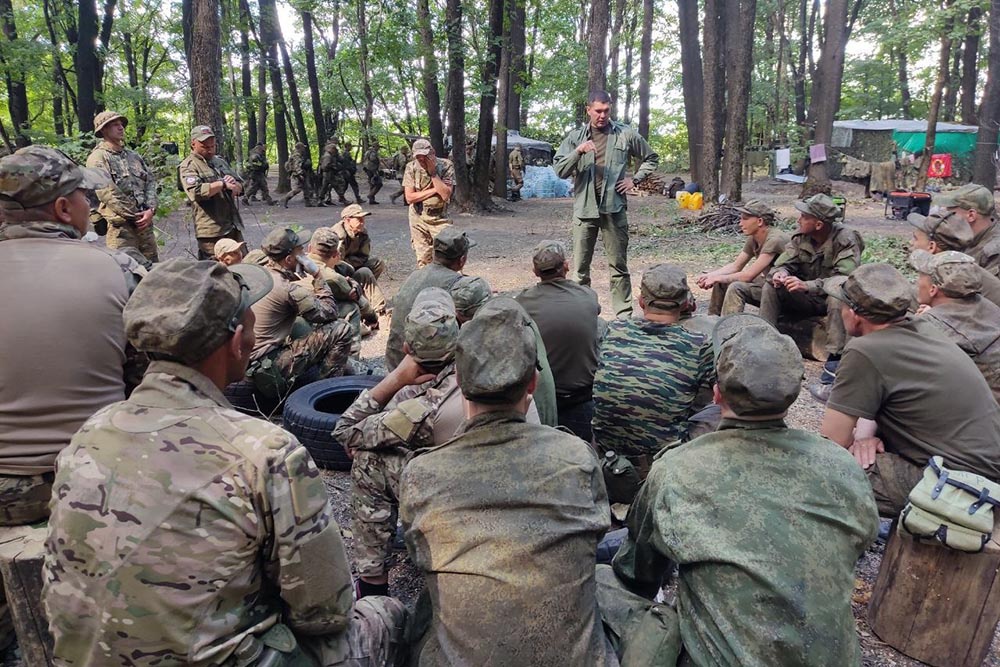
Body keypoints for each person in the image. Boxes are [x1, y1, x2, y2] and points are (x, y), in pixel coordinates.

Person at [42, 258, 407, 665]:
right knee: (385, 615)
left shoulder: (88, 435)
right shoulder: (264, 451)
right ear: (237, 342)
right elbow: (326, 613)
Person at [602, 317, 878, 666]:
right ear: (793, 396)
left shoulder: (676, 469)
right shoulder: (841, 465)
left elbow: (637, 573)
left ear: (716, 393)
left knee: (601, 580)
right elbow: (861, 540)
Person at [399, 297, 615, 666]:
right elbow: (592, 537)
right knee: (611, 585)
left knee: (404, 611)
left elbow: (420, 556)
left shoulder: (421, 474)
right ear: (532, 382)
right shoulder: (576, 457)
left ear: (460, 383)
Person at [0, 146, 138, 647]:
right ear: (62, 208)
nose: (90, 204)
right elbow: (152, 377)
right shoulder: (118, 268)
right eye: (84, 195)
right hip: (88, 485)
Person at [820, 263, 1000, 517]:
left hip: (962, 486)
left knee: (827, 470)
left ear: (853, 313)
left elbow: (831, 442)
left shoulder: (866, 350)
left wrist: (857, 441)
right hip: (984, 470)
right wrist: (864, 437)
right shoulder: (921, 327)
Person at [591, 264, 715, 480]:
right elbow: (715, 397)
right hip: (661, 464)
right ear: (686, 303)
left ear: (641, 301)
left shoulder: (613, 330)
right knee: (719, 410)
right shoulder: (700, 345)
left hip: (606, 459)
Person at [553, 90, 659, 318]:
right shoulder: (575, 137)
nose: (602, 115)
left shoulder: (625, 134)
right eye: (598, 111)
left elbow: (651, 158)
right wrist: (578, 152)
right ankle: (582, 315)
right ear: (588, 110)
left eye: (606, 110)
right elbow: (560, 170)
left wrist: (634, 180)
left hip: (614, 208)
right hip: (585, 211)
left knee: (619, 267)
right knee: (580, 270)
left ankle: (623, 317)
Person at [761, 193, 863, 400]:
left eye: (804, 217)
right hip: (805, 297)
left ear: (818, 224)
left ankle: (834, 361)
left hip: (828, 298)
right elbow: (782, 264)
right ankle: (764, 342)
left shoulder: (845, 239)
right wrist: (781, 274)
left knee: (837, 294)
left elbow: (843, 278)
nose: (799, 220)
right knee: (770, 286)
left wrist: (807, 285)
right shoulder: (801, 237)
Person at [247, 227, 354, 399]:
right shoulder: (287, 289)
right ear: (289, 259)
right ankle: (327, 392)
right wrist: (317, 275)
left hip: (245, 357)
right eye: (301, 252)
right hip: (266, 366)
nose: (305, 256)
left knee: (299, 324)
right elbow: (329, 313)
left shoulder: (258, 276)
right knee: (341, 329)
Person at [516, 240, 602, 440]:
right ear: (566, 266)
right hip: (582, 397)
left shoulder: (523, 302)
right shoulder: (588, 296)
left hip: (543, 399)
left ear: (535, 271)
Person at [450, 275, 558, 426]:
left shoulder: (490, 336)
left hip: (522, 410)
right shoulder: (513, 314)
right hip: (536, 401)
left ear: (460, 315)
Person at [912, 249, 1000, 403]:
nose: (916, 282)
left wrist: (924, 321)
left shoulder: (930, 326)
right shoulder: (984, 304)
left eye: (920, 277)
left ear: (933, 289)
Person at [384, 227, 473, 370]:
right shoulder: (459, 285)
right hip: (425, 368)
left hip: (394, 363)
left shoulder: (415, 275)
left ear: (434, 254)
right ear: (462, 260)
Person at [87, 110, 160, 262]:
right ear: (103, 130)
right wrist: (135, 215)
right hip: (121, 229)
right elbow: (107, 192)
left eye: (121, 124)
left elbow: (150, 182)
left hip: (145, 226)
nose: (121, 128)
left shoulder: (134, 156)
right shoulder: (98, 158)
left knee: (152, 270)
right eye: (115, 125)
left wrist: (150, 210)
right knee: (125, 270)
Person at [696, 199, 789, 315]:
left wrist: (718, 277)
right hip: (770, 284)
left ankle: (730, 325)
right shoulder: (754, 238)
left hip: (788, 292)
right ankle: (713, 320)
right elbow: (736, 266)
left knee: (736, 287)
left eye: (745, 219)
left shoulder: (775, 239)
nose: (740, 223)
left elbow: (748, 276)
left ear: (760, 221)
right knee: (722, 281)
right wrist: (711, 276)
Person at [908, 209, 1000, 307]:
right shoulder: (965, 268)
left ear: (931, 247)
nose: (910, 242)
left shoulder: (949, 282)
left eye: (915, 238)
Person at [178, 125, 245, 260]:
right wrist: (222, 184)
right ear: (193, 144)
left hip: (232, 226)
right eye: (205, 146)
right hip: (211, 231)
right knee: (215, 268)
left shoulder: (219, 162)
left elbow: (240, 186)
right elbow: (195, 192)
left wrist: (234, 186)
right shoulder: (188, 166)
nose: (210, 150)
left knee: (241, 264)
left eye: (212, 146)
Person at [307, 227, 379, 342]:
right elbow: (358, 300)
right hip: (315, 323)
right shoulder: (333, 278)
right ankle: (352, 349)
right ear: (336, 253)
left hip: (292, 321)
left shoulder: (293, 264)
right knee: (351, 307)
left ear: (309, 248)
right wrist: (372, 317)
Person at [403, 138, 456, 268]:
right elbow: (409, 198)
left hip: (439, 216)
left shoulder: (446, 165)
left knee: (449, 253)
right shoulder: (411, 167)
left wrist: (433, 174)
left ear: (432, 153)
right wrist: (436, 189)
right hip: (418, 216)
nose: (421, 159)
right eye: (418, 157)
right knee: (423, 258)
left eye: (425, 156)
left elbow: (445, 195)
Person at [332, 203, 388, 315]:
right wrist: (352, 264)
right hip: (338, 276)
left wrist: (351, 262)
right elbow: (336, 264)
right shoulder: (338, 236)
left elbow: (364, 256)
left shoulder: (362, 233)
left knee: (377, 263)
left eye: (363, 219)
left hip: (352, 267)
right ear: (347, 220)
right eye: (359, 219)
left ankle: (363, 294)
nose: (362, 222)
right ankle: (379, 310)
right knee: (364, 272)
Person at [935, 183, 1000, 276]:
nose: (946, 219)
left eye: (950, 214)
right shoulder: (966, 236)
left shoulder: (994, 250)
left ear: (971, 215)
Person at [281, 142, 314, 208]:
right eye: (303, 147)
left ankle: (308, 203)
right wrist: (300, 174)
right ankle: (286, 198)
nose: (304, 149)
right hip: (297, 174)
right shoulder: (296, 155)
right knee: (297, 189)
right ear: (300, 148)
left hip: (301, 173)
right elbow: (297, 166)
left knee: (307, 188)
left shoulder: (298, 154)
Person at [320, 140, 348, 206]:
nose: (335, 151)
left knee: (325, 187)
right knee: (336, 186)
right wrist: (333, 166)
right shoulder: (328, 156)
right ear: (331, 149)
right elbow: (325, 166)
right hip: (329, 174)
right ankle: (343, 200)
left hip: (328, 173)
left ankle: (320, 200)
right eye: (334, 149)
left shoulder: (329, 155)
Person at [341, 140, 363, 204]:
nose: (351, 147)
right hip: (348, 173)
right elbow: (347, 164)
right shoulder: (346, 154)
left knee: (345, 186)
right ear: (347, 146)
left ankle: (341, 197)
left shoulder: (345, 153)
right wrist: (351, 170)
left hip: (347, 172)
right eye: (350, 146)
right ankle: (358, 198)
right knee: (354, 185)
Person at [363, 139, 383, 204]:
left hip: (368, 169)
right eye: (378, 146)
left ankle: (371, 200)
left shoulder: (368, 151)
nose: (378, 148)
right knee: (379, 183)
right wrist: (378, 160)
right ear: (375, 146)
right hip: (372, 170)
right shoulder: (373, 152)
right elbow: (372, 159)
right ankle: (370, 195)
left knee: (372, 184)